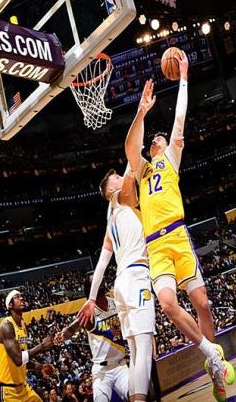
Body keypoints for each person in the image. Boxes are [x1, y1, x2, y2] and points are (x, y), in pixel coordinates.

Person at [124, 53, 234, 402]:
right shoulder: (141, 170)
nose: (154, 143)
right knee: (168, 304)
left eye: (157, 140)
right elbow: (130, 147)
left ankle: (215, 368)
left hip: (178, 236)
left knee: (203, 303)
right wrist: (141, 112)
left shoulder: (170, 158)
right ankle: (212, 355)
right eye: (152, 141)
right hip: (156, 245)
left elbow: (180, 118)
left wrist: (184, 76)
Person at [76, 165, 155, 402]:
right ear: (112, 191)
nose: (122, 178)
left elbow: (101, 264)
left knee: (136, 350)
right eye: (117, 178)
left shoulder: (111, 222)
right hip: (136, 276)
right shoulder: (121, 198)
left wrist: (91, 299)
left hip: (121, 283)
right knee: (144, 348)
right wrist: (135, 154)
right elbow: (132, 167)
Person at [55, 278, 129, 402]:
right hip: (101, 370)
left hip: (120, 364)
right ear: (91, 289)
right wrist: (62, 335)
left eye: (100, 280)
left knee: (137, 395)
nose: (100, 282)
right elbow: (73, 328)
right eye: (95, 282)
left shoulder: (115, 303)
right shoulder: (89, 311)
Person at [0, 290, 54, 401]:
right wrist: (42, 346)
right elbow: (18, 360)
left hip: (23, 387)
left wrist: (40, 367)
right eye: (17, 297)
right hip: (8, 390)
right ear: (10, 305)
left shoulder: (22, 324)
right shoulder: (6, 326)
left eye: (21, 296)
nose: (21, 298)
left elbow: (23, 359)